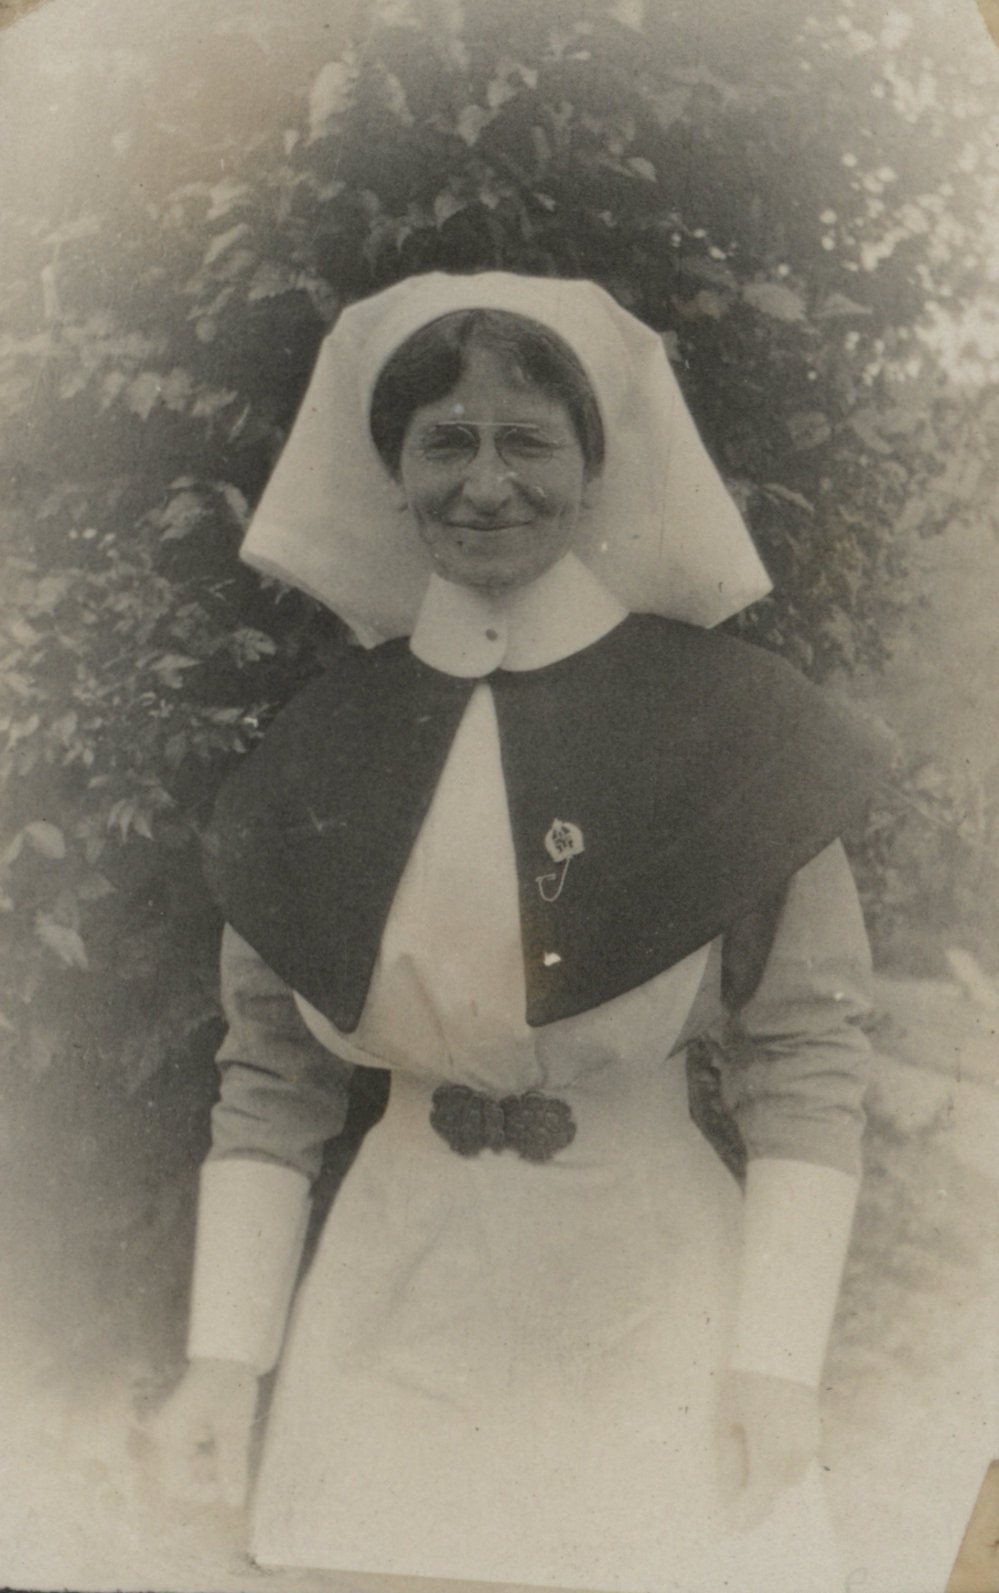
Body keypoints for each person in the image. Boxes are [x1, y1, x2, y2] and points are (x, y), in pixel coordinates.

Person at [154, 272, 882, 1593]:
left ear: (598, 469)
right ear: (394, 470)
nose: (486, 482)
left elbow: (809, 1062)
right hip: (390, 1285)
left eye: (529, 439)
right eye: (445, 440)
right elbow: (269, 1077)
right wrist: (223, 1357)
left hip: (652, 1295)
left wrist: (775, 1362)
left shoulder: (736, 729)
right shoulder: (319, 745)